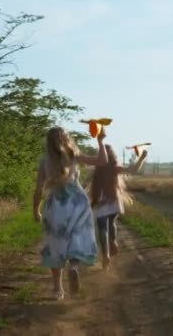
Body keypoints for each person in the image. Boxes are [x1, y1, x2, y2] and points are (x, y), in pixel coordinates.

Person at [33, 127, 108, 300]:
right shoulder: (74, 156)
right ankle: (73, 266)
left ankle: (58, 289)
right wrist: (100, 141)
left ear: (48, 142)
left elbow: (38, 190)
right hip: (77, 203)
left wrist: (36, 210)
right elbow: (102, 161)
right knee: (78, 237)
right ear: (67, 140)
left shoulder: (45, 162)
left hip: (55, 206)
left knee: (55, 245)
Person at [89, 144, 148, 270]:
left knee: (102, 229)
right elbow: (133, 170)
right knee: (111, 223)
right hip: (113, 201)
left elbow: (86, 184)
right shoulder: (114, 168)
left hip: (100, 201)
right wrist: (141, 158)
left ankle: (106, 254)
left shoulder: (96, 170)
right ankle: (113, 241)